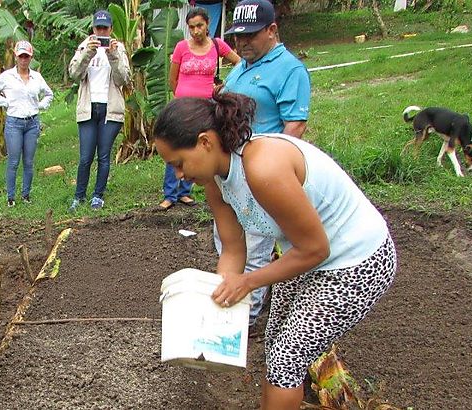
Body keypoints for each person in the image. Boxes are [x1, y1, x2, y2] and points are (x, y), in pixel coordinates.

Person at [153, 93, 396, 410]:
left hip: (358, 261)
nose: (179, 176)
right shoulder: (214, 180)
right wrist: (217, 302)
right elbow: (233, 247)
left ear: (204, 142)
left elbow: (315, 248)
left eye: (178, 163)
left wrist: (248, 282)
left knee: (288, 355)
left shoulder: (263, 168)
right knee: (276, 345)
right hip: (306, 255)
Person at [218, 0, 312, 330]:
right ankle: (232, 304)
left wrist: (276, 172)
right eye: (237, 37)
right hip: (233, 169)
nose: (241, 43)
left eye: (250, 36)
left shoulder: (290, 69)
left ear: (272, 30)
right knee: (229, 239)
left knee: (257, 240)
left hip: (263, 169)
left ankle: (249, 317)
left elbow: (295, 126)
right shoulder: (241, 65)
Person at [159, 7, 241, 211]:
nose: (195, 31)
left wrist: (224, 85)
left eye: (199, 26)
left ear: (207, 24)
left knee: (196, 150)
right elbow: (172, 78)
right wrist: (180, 97)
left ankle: (185, 192)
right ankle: (170, 194)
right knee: (175, 147)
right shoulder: (181, 47)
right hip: (183, 108)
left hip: (206, 108)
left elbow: (240, 63)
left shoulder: (217, 45)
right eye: (191, 27)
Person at [67, 10, 131, 212]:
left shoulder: (118, 48)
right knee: (86, 156)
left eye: (105, 28)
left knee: (103, 155)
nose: (101, 32)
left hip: (110, 108)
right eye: (98, 28)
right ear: (93, 28)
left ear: (111, 29)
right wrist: (88, 53)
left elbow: (123, 79)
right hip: (88, 107)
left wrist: (112, 56)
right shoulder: (84, 46)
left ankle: (98, 195)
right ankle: (79, 196)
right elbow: (74, 74)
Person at [0, 40, 54, 207]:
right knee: (14, 161)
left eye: (27, 57)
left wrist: (41, 105)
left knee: (28, 161)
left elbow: (48, 94)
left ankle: (26, 194)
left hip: (31, 122)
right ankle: (10, 196)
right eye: (21, 56)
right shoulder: (8, 76)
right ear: (16, 57)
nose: (24, 60)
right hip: (14, 122)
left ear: (30, 58)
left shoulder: (36, 77)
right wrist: (4, 101)